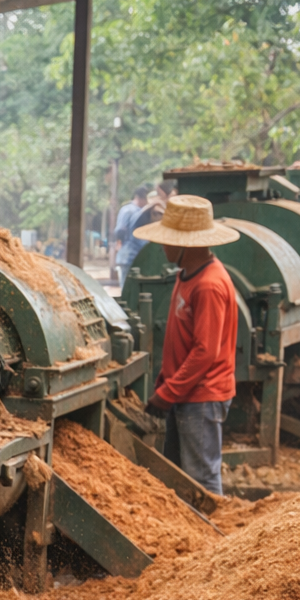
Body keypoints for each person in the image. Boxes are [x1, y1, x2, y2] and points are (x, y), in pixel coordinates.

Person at [131, 194, 241, 494]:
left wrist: (168, 392)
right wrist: (166, 381)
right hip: (186, 392)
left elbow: (205, 351)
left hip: (202, 396)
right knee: (180, 475)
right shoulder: (187, 275)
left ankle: (214, 538)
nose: (162, 246)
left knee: (201, 480)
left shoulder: (208, 285)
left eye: (168, 241)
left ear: (185, 244)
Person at [113, 184, 151, 282]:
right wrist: (119, 242)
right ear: (141, 198)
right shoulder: (129, 210)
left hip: (132, 256)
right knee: (128, 288)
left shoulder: (132, 210)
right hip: (130, 255)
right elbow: (120, 230)